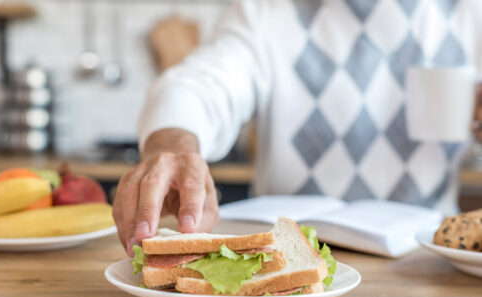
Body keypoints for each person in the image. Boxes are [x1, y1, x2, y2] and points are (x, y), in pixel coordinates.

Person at [113, 0, 482, 256]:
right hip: (281, 254)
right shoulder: (265, 11)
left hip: (431, 256)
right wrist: (172, 145)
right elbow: (198, 84)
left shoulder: (470, 12)